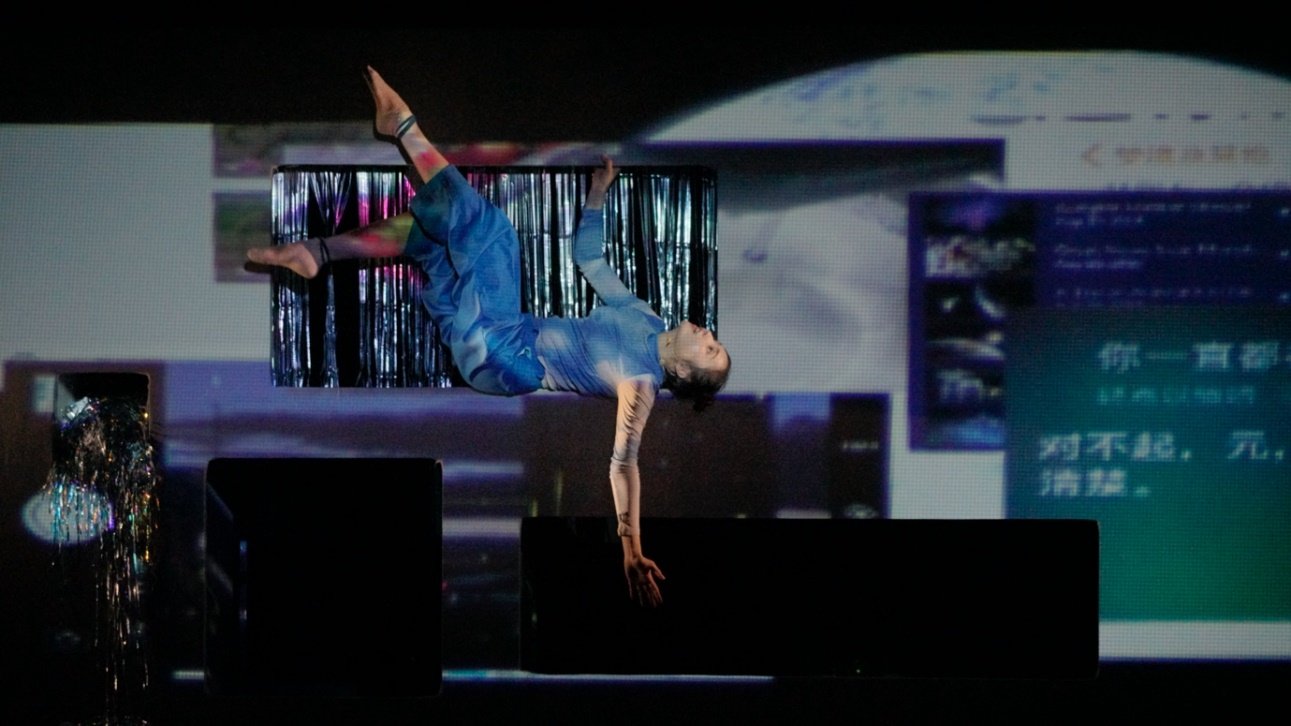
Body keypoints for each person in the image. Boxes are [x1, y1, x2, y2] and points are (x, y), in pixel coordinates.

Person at [247, 67, 731, 608]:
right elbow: (589, 260)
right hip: (501, 334)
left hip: (506, 359)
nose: (707, 334)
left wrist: (631, 549)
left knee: (494, 234)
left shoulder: (640, 384)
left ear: (683, 372)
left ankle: (402, 126)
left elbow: (623, 466)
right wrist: (596, 200)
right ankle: (317, 253)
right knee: (430, 233)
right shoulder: (645, 317)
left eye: (710, 350)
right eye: (714, 339)